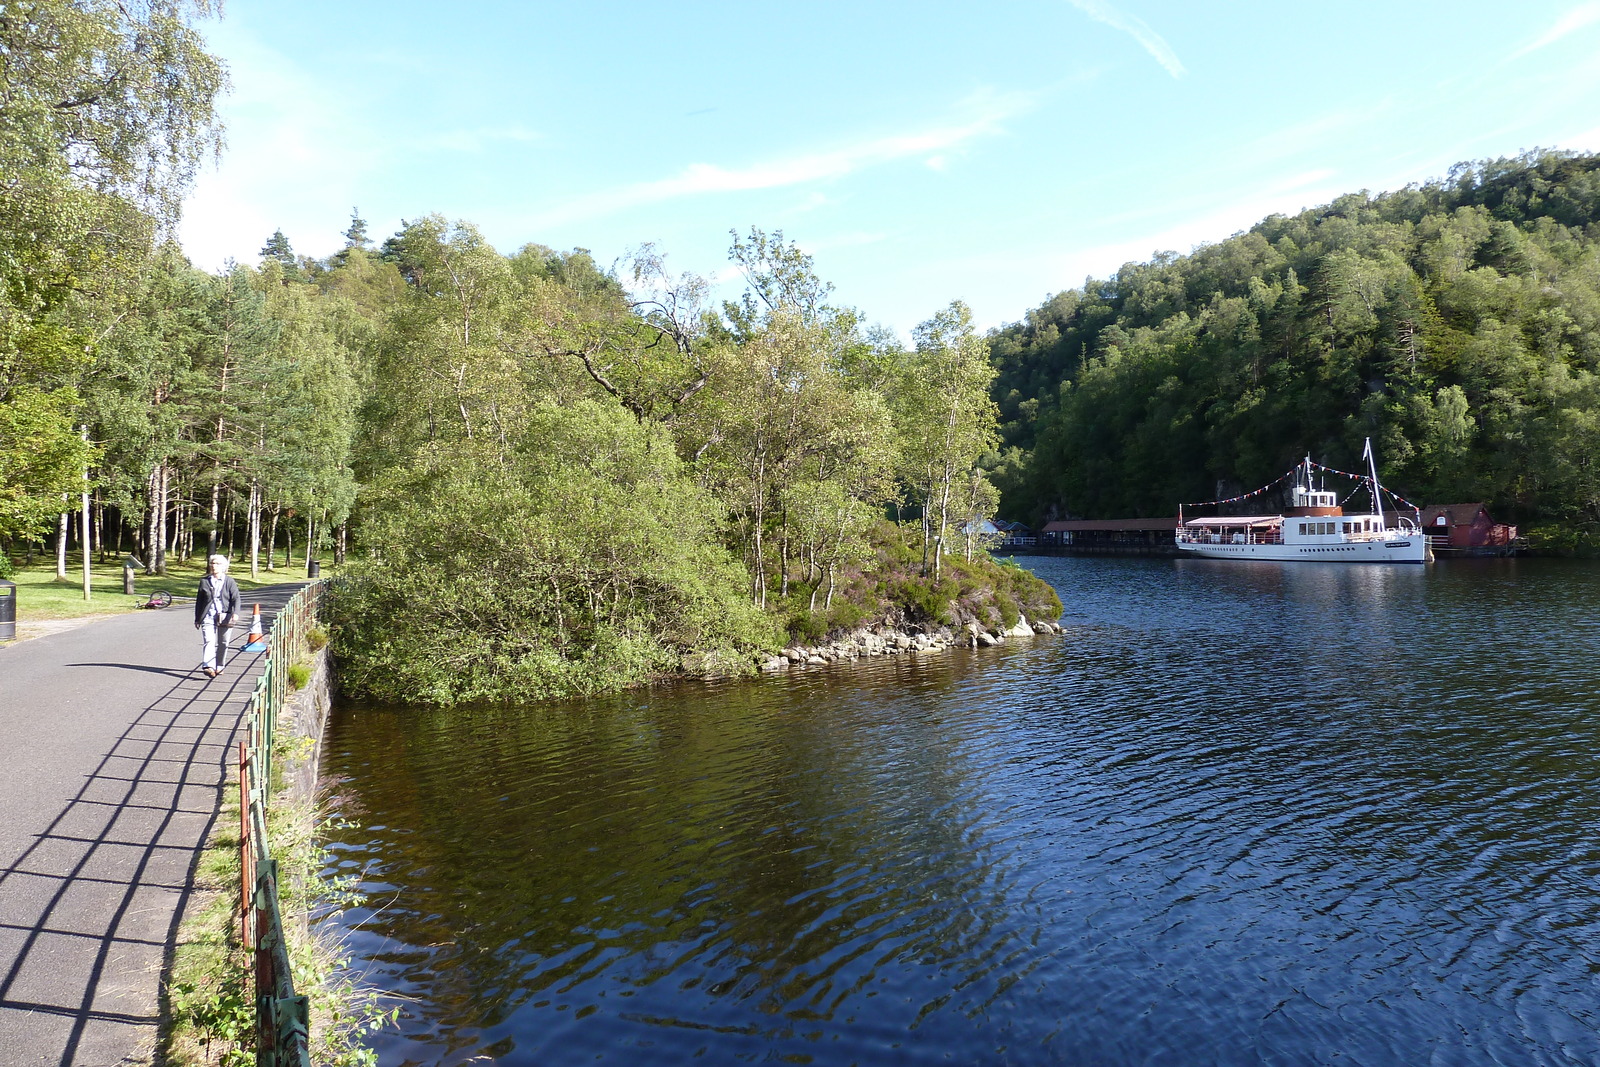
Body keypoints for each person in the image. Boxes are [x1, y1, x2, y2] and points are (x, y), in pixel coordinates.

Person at [194, 554, 242, 678]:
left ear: (224, 567)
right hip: (208, 616)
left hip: (225, 616)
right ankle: (208, 666)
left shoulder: (229, 581)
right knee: (209, 641)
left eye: (217, 564)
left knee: (223, 642)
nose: (214, 566)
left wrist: (235, 613)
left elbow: (236, 598)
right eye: (212, 563)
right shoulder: (204, 581)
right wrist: (197, 618)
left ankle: (219, 665)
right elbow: (199, 601)